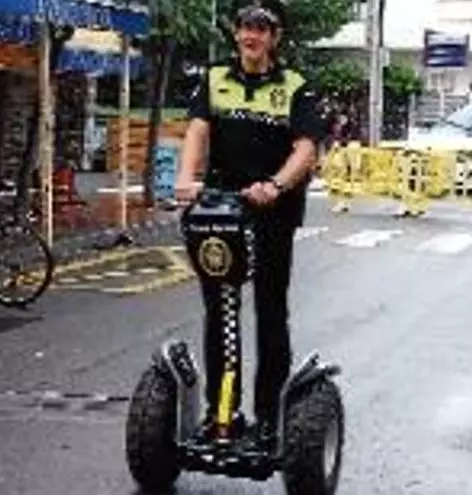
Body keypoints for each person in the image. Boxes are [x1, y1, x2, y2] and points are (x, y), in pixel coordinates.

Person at [174, 0, 326, 446]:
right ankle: (221, 412)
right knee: (220, 309)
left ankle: (269, 415)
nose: (250, 36)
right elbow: (197, 131)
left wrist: (276, 185)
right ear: (236, 33)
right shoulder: (215, 78)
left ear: (274, 37)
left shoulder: (296, 87)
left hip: (273, 211)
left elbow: (305, 149)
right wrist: (186, 178)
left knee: (270, 309)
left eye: (261, 28)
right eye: (244, 27)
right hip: (221, 210)